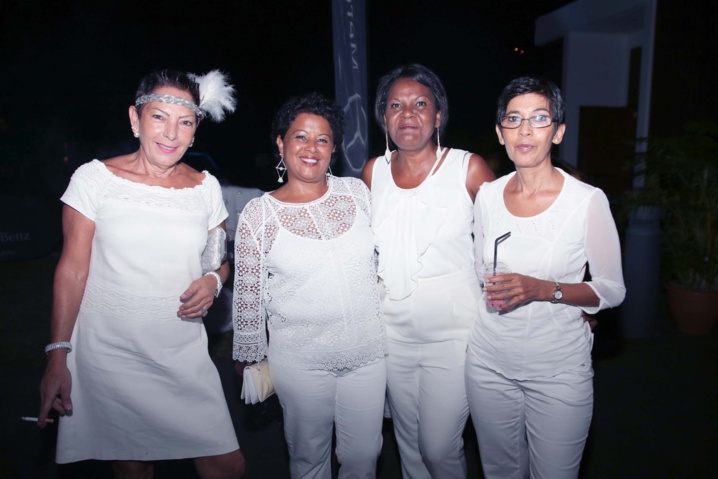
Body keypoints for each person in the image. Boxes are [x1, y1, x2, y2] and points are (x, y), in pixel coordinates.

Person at [38, 70, 245, 479]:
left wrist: (213, 281)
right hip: (111, 352)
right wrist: (57, 355)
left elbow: (218, 261)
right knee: (133, 467)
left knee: (226, 465)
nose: (171, 133)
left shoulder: (205, 188)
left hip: (181, 351)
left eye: (185, 122)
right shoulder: (93, 180)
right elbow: (72, 271)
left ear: (195, 131)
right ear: (135, 119)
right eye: (159, 117)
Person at [466, 76, 626, 479]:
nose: (525, 130)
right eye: (513, 119)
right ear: (500, 133)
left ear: (558, 132)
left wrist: (544, 290)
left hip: (558, 370)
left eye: (539, 118)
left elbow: (612, 289)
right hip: (488, 364)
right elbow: (480, 273)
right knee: (500, 471)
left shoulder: (586, 201)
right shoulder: (487, 196)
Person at [233, 92, 387, 479]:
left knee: (364, 456)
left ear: (334, 148)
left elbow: (382, 263)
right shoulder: (259, 213)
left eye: (322, 139)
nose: (311, 148)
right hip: (300, 361)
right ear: (280, 143)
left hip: (367, 355)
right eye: (300, 137)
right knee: (308, 459)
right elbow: (249, 293)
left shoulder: (357, 193)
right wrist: (248, 353)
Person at [362, 63, 495, 478]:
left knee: (438, 447)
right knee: (409, 447)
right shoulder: (373, 172)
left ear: (438, 116)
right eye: (395, 105)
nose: (407, 114)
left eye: (420, 104)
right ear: (384, 117)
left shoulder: (468, 168)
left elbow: (504, 245)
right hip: (392, 334)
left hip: (455, 336)